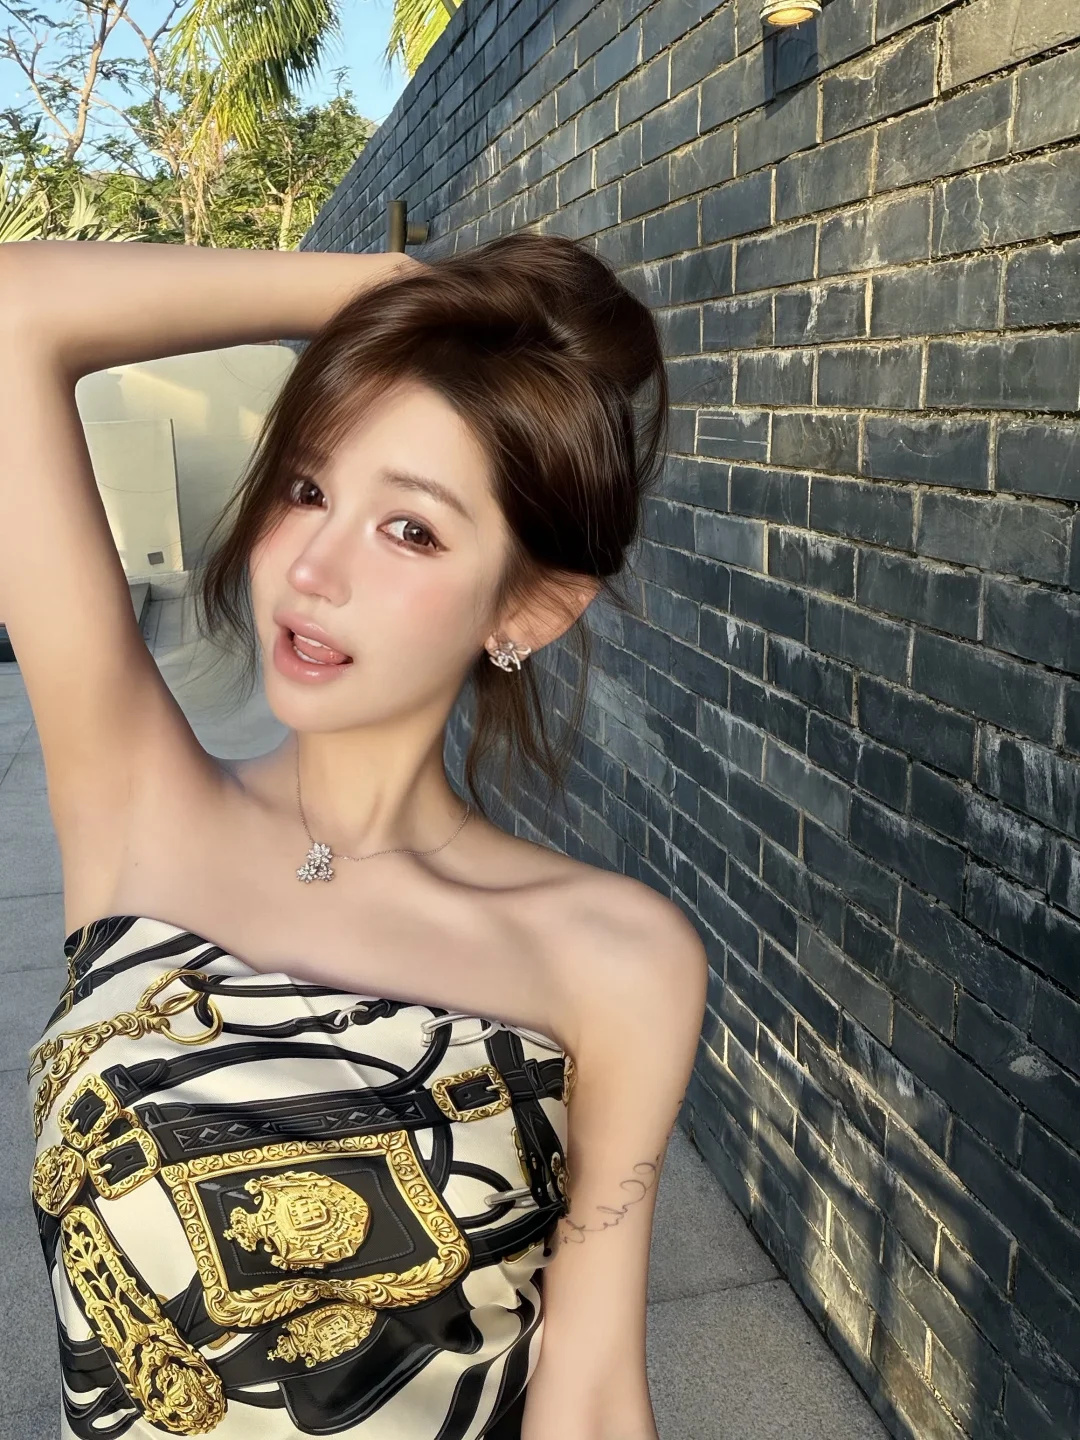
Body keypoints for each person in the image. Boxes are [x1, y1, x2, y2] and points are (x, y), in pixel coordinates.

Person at [2, 231, 708, 1440]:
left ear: (528, 608)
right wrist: (415, 292)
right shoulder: (135, 803)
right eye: (307, 489)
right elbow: (15, 308)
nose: (314, 569)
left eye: (412, 530)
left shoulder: (614, 957)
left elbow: (589, 1395)